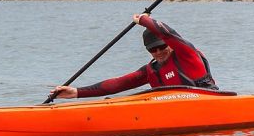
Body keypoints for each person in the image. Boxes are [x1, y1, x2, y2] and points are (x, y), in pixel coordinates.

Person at [48, 13, 216, 101]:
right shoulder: (152, 70)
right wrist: (76, 92)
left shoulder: (187, 55)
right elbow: (119, 83)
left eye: (161, 47)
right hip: (171, 112)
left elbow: (169, 33)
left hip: (209, 102)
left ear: (169, 44)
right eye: (152, 50)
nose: (158, 52)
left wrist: (143, 19)